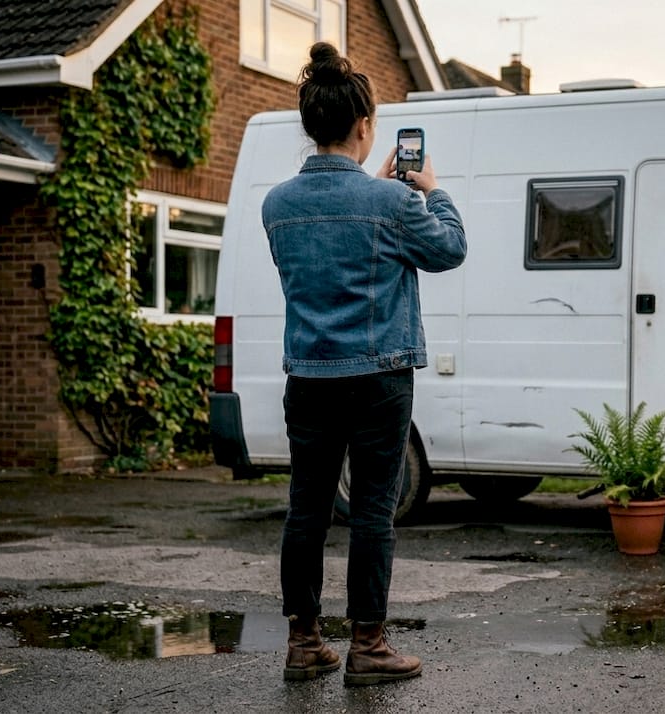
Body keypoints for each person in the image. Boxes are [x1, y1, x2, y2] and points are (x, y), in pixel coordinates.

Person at [262, 42, 467, 686]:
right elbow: (450, 250)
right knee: (373, 511)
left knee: (307, 510)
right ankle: (369, 647)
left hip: (310, 376)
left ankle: (303, 643)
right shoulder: (394, 204)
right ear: (366, 125)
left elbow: (332, 241)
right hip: (379, 378)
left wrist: (376, 192)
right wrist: (431, 192)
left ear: (310, 125)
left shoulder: (277, 205)